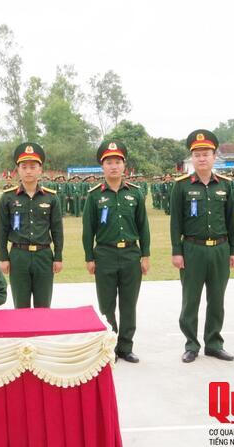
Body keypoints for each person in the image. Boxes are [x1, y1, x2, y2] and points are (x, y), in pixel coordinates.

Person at [170, 130, 234, 363]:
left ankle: (214, 343)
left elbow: (231, 220)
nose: (202, 158)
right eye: (197, 155)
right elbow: (176, 222)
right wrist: (177, 251)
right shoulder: (181, 186)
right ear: (192, 158)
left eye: (206, 154)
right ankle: (191, 344)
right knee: (191, 300)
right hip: (192, 249)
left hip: (220, 248)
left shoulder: (226, 186)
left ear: (214, 157)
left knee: (217, 299)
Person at [82, 140, 151, 363]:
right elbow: (88, 230)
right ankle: (109, 347)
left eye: (117, 162)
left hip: (131, 255)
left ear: (124, 166)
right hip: (104, 255)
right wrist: (89, 257)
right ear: (102, 167)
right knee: (107, 305)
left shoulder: (136, 194)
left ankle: (126, 347)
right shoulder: (94, 196)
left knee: (129, 304)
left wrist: (145, 255)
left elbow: (143, 227)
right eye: (109, 162)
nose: (113, 166)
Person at [0, 142, 64, 308]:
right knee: (21, 305)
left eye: (33, 166)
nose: (28, 171)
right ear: (18, 169)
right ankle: (22, 335)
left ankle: (42, 335)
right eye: (24, 166)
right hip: (19, 255)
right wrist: (4, 257)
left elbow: (57, 229)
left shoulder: (51, 197)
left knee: (43, 305)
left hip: (44, 256)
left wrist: (58, 256)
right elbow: (2, 230)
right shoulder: (8, 197)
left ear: (40, 170)